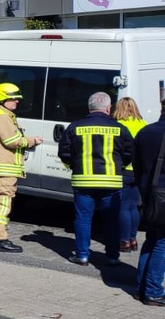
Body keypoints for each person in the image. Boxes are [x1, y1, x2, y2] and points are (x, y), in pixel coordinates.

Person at [58, 92, 134, 266]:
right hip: (111, 181)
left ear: (89, 107)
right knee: (111, 219)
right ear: (108, 108)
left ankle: (82, 255)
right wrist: (119, 166)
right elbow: (130, 153)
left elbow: (64, 152)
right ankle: (113, 256)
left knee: (83, 219)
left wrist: (74, 165)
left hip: (83, 180)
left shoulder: (75, 127)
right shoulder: (120, 128)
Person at [0, 83, 43, 253]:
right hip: (4, 168)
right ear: (3, 99)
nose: (16, 101)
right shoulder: (2, 117)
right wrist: (31, 141)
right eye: (13, 98)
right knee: (2, 204)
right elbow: (11, 141)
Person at [134, 99, 165, 306]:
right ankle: (153, 290)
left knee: (152, 239)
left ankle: (142, 287)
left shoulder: (145, 132)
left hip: (149, 194)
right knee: (162, 243)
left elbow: (136, 165)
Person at [113, 97, 148, 253]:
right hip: (139, 171)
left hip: (124, 170)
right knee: (133, 207)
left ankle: (124, 241)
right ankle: (133, 239)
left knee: (123, 207)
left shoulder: (118, 126)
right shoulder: (144, 124)